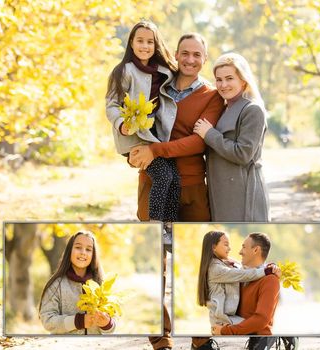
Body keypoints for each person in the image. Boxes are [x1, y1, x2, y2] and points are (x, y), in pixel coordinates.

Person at [130, 33, 225, 350]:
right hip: (154, 184)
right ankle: (160, 337)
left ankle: (200, 338)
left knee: (195, 266)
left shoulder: (211, 96)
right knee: (156, 266)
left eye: (197, 54)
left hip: (192, 188)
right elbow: (135, 125)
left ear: (205, 59)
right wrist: (137, 153)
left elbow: (199, 142)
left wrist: (156, 150)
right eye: (185, 53)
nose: (190, 60)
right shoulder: (156, 86)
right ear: (176, 55)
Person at [106, 20, 180, 222]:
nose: (145, 46)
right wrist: (122, 124)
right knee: (163, 176)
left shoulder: (164, 71)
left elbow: (185, 79)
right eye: (140, 41)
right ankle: (155, 222)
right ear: (131, 42)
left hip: (156, 136)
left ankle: (170, 223)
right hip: (133, 137)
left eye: (150, 42)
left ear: (156, 46)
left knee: (174, 178)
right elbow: (111, 104)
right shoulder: (123, 71)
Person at [193, 52, 269, 221]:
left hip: (242, 191)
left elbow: (243, 153)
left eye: (229, 78)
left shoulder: (252, 110)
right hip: (220, 190)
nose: (223, 85)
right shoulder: (221, 108)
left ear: (243, 80)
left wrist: (209, 134)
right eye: (219, 80)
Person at [38, 231, 116, 334]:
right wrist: (78, 321)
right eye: (78, 247)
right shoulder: (57, 285)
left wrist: (107, 324)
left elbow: (114, 323)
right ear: (69, 251)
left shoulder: (101, 283)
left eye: (88, 249)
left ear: (93, 255)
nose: (83, 252)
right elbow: (47, 320)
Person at [197, 231, 279, 328]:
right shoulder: (215, 269)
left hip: (229, 316)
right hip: (222, 319)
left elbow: (245, 267)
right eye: (226, 245)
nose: (230, 248)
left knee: (258, 324)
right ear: (214, 247)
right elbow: (242, 274)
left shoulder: (223, 263)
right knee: (257, 326)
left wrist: (271, 266)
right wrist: (266, 271)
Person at [212, 233, 280, 344]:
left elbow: (261, 320)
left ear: (256, 250)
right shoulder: (237, 273)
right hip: (236, 332)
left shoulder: (270, 280)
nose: (239, 252)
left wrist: (226, 331)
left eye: (244, 247)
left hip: (256, 337)